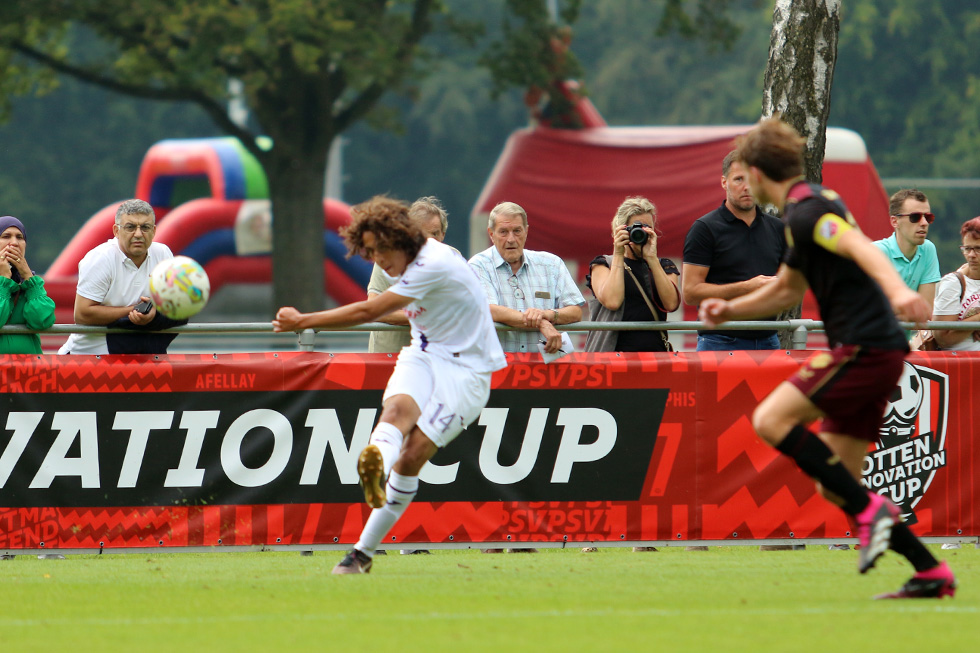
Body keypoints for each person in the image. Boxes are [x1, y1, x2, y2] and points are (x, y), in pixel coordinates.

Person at [699, 117, 956, 600]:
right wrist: (727, 309)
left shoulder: (807, 213)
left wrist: (898, 292)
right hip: (876, 351)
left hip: (864, 346)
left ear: (755, 172)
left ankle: (871, 514)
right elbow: (787, 289)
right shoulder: (813, 205)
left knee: (770, 419)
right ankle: (930, 572)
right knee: (838, 487)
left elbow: (861, 248)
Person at [273, 196, 506, 574]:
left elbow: (369, 311)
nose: (377, 260)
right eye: (369, 252)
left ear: (398, 237)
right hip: (425, 353)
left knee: (411, 457)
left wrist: (305, 320)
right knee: (396, 412)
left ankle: (362, 551)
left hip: (467, 372)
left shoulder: (435, 261)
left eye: (380, 250)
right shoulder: (405, 258)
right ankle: (376, 462)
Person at [683, 150, 786, 351]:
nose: (747, 187)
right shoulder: (704, 228)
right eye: (739, 179)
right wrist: (748, 287)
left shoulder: (778, 228)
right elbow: (690, 293)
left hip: (769, 338)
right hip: (719, 339)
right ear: (724, 182)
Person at [59, 199, 179, 355]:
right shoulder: (100, 258)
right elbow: (82, 315)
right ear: (116, 231)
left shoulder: (163, 253)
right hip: (87, 357)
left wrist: (154, 313)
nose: (138, 234)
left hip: (139, 356)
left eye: (145, 227)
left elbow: (175, 305)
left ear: (154, 230)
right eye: (130, 227)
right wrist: (133, 311)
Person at [468, 201, 585, 355]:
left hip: (546, 366)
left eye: (517, 231)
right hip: (500, 368)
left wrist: (548, 315)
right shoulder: (478, 265)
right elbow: (489, 309)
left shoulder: (551, 263)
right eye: (503, 232)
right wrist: (542, 323)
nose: (511, 239)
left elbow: (576, 312)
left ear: (526, 231)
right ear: (491, 234)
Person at [584, 196, 680, 353]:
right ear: (621, 230)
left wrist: (652, 259)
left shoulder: (664, 265)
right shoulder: (602, 264)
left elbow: (671, 304)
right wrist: (618, 254)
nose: (640, 233)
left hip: (655, 358)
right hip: (611, 358)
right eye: (636, 228)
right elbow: (613, 301)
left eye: (647, 228)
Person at [367, 196, 451, 355]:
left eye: (434, 234)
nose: (429, 242)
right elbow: (373, 308)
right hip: (388, 358)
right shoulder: (387, 258)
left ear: (443, 235)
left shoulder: (455, 260)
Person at [873, 189, 941, 311]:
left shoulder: (928, 249)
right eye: (915, 217)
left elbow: (924, 313)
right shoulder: (875, 252)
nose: (924, 223)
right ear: (894, 221)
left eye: (928, 217)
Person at [0, 215, 55, 354]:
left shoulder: (30, 283)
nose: (14, 243)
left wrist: (28, 277)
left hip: (29, 371)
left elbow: (42, 321)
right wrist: (4, 279)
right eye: (6, 236)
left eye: (19, 237)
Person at [930, 217, 980, 351]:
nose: (971, 255)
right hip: (960, 366)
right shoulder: (953, 283)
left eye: (978, 249)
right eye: (967, 248)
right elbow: (943, 338)